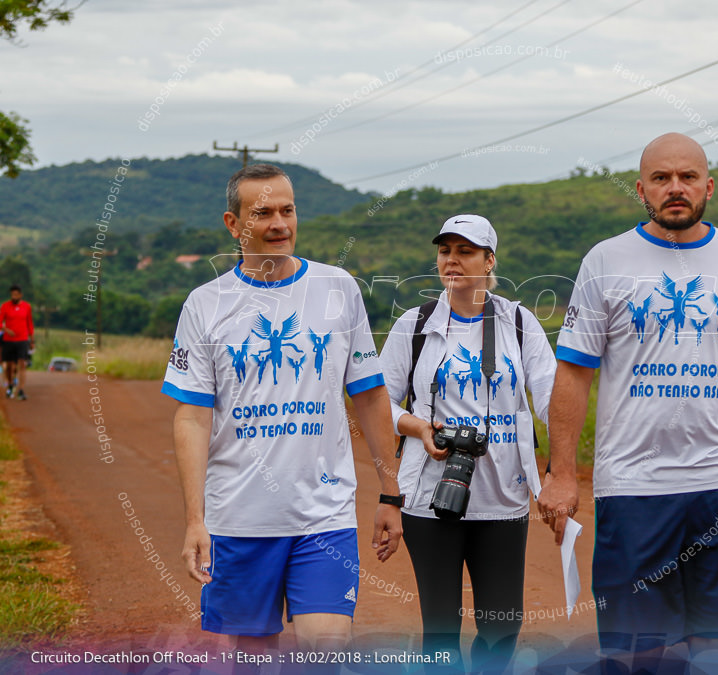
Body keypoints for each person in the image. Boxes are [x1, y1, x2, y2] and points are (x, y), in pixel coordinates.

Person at [538, 133, 718, 672]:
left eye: (686, 177)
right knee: (641, 656)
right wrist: (562, 473)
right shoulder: (606, 260)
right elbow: (573, 374)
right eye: (661, 178)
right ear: (641, 189)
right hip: (635, 489)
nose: (674, 188)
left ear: (709, 185)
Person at [161, 164, 402, 653]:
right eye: (263, 213)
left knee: (327, 644)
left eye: (287, 210)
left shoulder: (338, 289)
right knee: (253, 656)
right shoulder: (205, 304)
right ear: (234, 224)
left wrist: (391, 494)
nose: (279, 224)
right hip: (239, 519)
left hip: (324, 515)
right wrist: (194, 520)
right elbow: (191, 416)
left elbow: (371, 395)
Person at [379, 214, 555, 672]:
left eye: (466, 251)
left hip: (502, 495)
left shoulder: (519, 322)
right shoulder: (414, 325)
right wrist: (419, 428)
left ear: (489, 259)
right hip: (429, 496)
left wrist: (559, 469)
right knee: (439, 628)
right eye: (445, 251)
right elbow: (380, 403)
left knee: (502, 627)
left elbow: (552, 401)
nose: (452, 260)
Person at [0, 285, 34, 401]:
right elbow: (0, 322)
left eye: (16, 294)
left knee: (22, 364)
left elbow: (30, 323)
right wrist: (6, 329)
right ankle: (10, 385)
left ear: (20, 295)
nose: (13, 297)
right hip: (8, 340)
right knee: (9, 366)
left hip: (23, 340)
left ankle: (21, 389)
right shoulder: (5, 306)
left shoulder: (27, 307)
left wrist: (32, 339)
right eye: (12, 295)